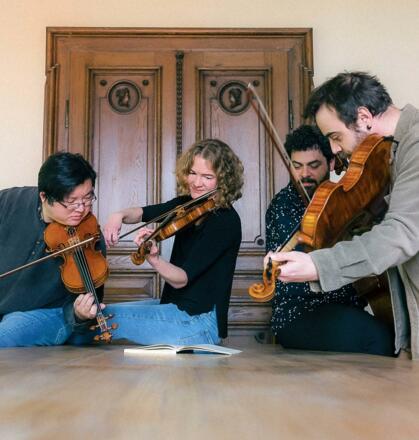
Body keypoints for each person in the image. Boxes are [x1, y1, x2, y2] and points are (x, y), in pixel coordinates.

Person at [267, 71, 419, 359]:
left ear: (364, 117)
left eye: (336, 137)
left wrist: (318, 265)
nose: (335, 149)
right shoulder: (392, 152)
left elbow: (401, 232)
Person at [85, 138, 243, 346]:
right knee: (97, 313)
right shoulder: (187, 205)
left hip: (199, 323)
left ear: (223, 181)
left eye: (207, 177)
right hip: (177, 310)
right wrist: (118, 215)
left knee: (98, 319)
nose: (197, 182)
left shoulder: (225, 221)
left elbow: (181, 279)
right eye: (193, 173)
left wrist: (154, 259)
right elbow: (143, 213)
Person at [265, 124, 390, 355]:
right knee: (378, 338)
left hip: (345, 306)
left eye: (313, 166)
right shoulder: (283, 205)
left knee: (394, 331)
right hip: (298, 313)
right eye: (297, 166)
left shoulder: (341, 200)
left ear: (331, 163)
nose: (304, 174)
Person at [0, 152, 106, 347]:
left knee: (6, 333)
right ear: (44, 196)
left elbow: (83, 303)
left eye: (88, 198)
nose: (81, 209)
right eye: (71, 201)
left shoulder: (90, 236)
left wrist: (79, 314)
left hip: (41, 315)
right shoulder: (8, 202)